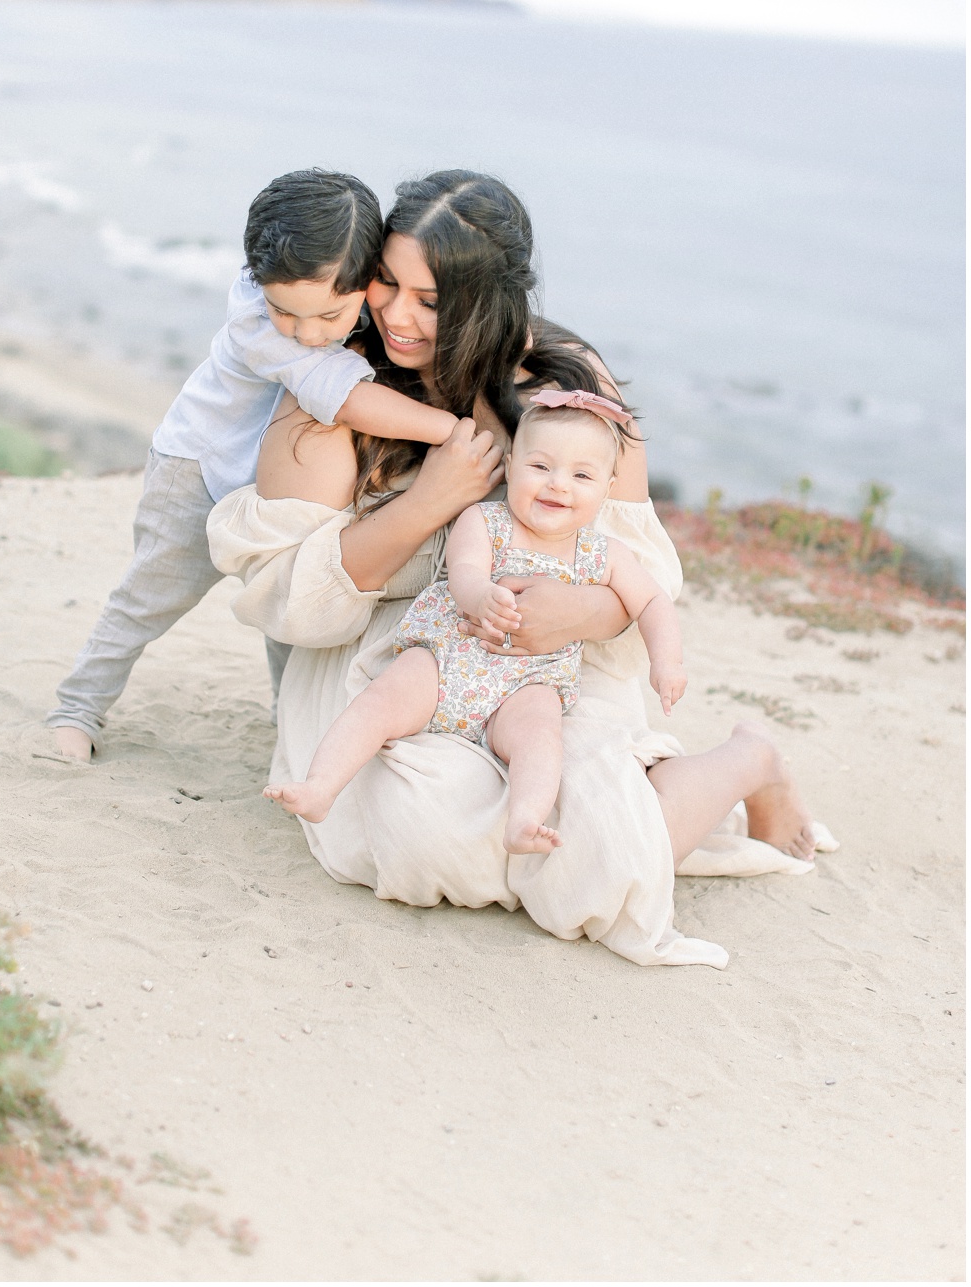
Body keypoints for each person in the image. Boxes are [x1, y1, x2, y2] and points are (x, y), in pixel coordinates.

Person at [208, 169, 828, 969]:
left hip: (552, 660)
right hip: (390, 657)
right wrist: (429, 502)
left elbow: (639, 573)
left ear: (488, 299)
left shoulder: (568, 390)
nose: (396, 314)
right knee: (422, 828)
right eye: (387, 284)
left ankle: (751, 760)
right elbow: (291, 606)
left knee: (596, 826)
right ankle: (630, 814)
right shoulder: (335, 394)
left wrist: (582, 613)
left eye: (430, 300)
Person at [46, 168, 461, 762]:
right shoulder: (255, 323)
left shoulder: (364, 302)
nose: (306, 333)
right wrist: (454, 433)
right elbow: (339, 395)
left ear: (370, 279)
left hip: (276, 491)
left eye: (328, 316)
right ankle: (78, 708)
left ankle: (286, 719)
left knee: (288, 605)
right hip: (201, 471)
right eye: (285, 311)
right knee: (149, 597)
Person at [263, 389, 687, 854]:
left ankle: (525, 821)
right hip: (448, 659)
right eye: (540, 467)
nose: (558, 485)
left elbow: (651, 603)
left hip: (529, 681)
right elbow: (464, 572)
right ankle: (321, 787)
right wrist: (481, 595)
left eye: (581, 475)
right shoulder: (487, 520)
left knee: (540, 738)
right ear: (512, 463)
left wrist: (666, 662)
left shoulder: (604, 553)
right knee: (381, 700)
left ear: (608, 488)